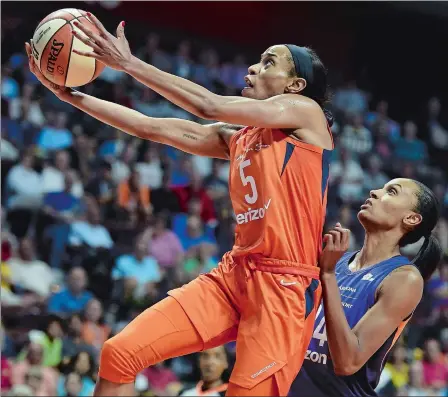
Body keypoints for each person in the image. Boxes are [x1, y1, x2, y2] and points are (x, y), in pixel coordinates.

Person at [26, 14, 334, 395]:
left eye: (269, 62)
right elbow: (150, 127)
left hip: (284, 287)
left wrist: (129, 64)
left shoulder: (307, 115)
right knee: (119, 353)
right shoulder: (238, 138)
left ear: (295, 85)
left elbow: (208, 104)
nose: (254, 67)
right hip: (235, 274)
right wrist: (70, 96)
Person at [292, 178, 443, 396]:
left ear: (411, 218)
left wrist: (327, 274)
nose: (374, 192)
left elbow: (347, 362)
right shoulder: (338, 261)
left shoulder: (404, 278)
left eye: (391, 191)